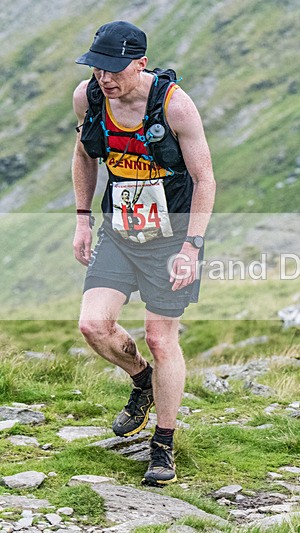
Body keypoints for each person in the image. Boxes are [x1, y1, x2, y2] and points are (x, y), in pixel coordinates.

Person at [71, 21, 215, 486]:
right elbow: (83, 155)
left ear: (141, 63)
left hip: (172, 238)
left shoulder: (175, 105)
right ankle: (141, 380)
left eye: (113, 70)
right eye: (97, 69)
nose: (104, 79)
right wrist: (81, 217)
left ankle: (163, 446)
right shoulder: (88, 97)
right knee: (93, 325)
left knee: (160, 337)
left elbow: (205, 179)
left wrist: (191, 248)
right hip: (119, 230)